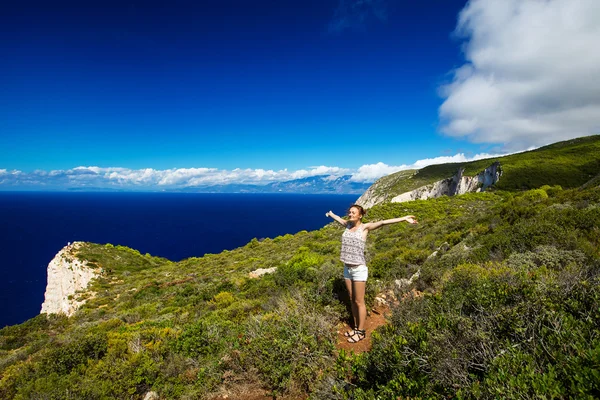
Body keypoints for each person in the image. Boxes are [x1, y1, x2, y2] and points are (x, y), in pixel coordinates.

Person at [325, 204, 418, 343]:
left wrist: (404, 218)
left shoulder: (365, 228)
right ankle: (356, 328)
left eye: (353, 213)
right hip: (347, 268)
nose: (350, 214)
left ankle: (361, 332)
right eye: (349, 212)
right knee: (352, 299)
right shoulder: (347, 225)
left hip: (358, 269)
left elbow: (383, 222)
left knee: (359, 301)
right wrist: (331, 214)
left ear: (360, 215)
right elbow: (339, 219)